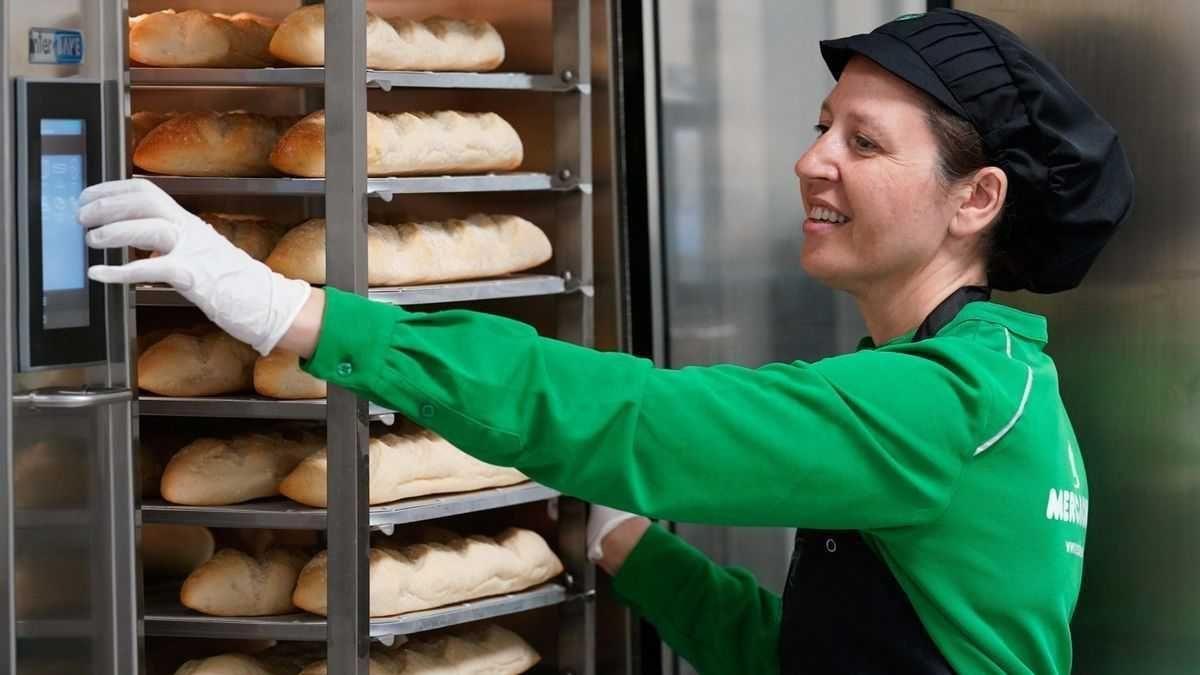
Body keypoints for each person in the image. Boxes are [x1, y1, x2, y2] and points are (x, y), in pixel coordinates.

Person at [80, 9, 1132, 674]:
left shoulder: (944, 405)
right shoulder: (998, 385)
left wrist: (297, 313)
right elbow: (809, 657)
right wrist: (631, 544)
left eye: (864, 141)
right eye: (822, 125)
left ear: (975, 199)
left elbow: (644, 420)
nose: (813, 160)